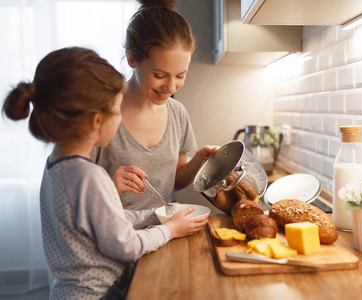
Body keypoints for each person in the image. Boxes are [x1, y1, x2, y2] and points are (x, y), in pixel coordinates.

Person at [2, 46, 208, 299]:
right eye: (117, 111)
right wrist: (170, 230)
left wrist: (157, 216)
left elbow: (107, 221)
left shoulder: (56, 165)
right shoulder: (90, 177)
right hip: (99, 294)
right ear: (97, 121)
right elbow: (125, 246)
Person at [91, 0, 217, 211]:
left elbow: (176, 180)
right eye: (159, 75)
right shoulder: (100, 111)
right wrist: (110, 186)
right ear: (132, 59)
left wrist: (199, 159)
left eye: (180, 75)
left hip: (160, 234)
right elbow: (75, 190)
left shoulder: (178, 114)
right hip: (110, 236)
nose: (170, 87)